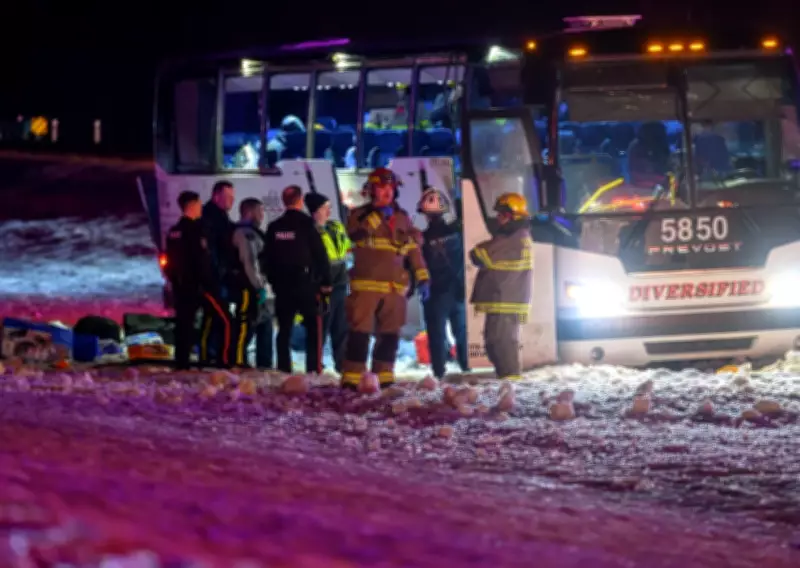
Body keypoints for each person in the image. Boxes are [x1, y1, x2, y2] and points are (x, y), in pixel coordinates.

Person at [342, 167, 430, 389]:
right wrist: (378, 216)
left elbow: (413, 250)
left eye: (391, 188)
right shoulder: (358, 215)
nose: (388, 192)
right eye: (382, 188)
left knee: (390, 335)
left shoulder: (402, 218)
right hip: (366, 288)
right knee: (359, 333)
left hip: (395, 289)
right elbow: (355, 234)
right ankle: (352, 377)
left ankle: (384, 375)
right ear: (372, 190)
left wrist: (423, 277)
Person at [263, 185, 332, 374]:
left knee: (284, 328)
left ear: (284, 201)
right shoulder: (307, 224)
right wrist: (326, 282)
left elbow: (266, 257)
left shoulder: (274, 227)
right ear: (300, 201)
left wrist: (273, 281)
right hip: (306, 283)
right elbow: (320, 254)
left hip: (282, 284)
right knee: (313, 327)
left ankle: (284, 367)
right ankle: (313, 368)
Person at [469, 192, 534, 382]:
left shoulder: (515, 238)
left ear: (514, 216)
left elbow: (480, 254)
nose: (498, 219)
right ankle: (506, 378)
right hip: (501, 299)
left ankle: (511, 382)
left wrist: (484, 248)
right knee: (493, 342)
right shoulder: (512, 236)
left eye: (502, 215)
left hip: (507, 299)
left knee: (503, 343)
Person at [164, 191, 232, 370]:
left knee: (184, 324)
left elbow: (168, 261)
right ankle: (225, 360)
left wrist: (173, 281)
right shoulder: (194, 230)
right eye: (199, 204)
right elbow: (201, 260)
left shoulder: (174, 231)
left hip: (181, 286)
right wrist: (210, 284)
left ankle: (182, 362)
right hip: (199, 286)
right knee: (226, 319)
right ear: (193, 205)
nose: (201, 208)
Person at [417, 187, 469, 379]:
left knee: (436, 334)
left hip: (435, 293)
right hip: (457, 289)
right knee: (461, 331)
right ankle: (466, 365)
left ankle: (439, 371)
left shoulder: (422, 238)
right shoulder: (457, 232)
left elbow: (414, 263)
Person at [303, 192, 351, 373]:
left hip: (340, 284)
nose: (329, 211)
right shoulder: (310, 232)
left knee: (342, 328)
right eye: (325, 208)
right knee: (321, 329)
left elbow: (347, 248)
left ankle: (342, 365)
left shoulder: (336, 227)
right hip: (322, 287)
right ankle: (315, 367)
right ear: (315, 212)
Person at [200, 180, 236, 367]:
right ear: (216, 196)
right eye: (228, 197)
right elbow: (212, 250)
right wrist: (215, 273)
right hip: (213, 278)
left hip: (220, 276)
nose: (232, 200)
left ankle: (212, 355)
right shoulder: (209, 218)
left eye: (233, 197)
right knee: (216, 318)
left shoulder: (221, 216)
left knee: (215, 318)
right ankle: (208, 357)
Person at [230, 198, 268, 368]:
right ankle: (238, 361)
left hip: (253, 284)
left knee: (262, 322)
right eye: (260, 211)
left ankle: (263, 363)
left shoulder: (253, 232)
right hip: (247, 286)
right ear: (250, 212)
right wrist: (258, 286)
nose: (262, 215)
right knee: (245, 323)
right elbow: (249, 262)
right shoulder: (246, 234)